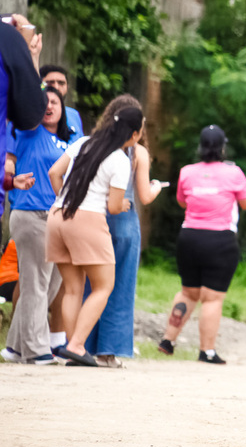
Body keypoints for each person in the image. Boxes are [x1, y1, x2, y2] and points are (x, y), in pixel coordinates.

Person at [45, 107, 144, 367]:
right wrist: (123, 204)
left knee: (73, 288)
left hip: (58, 215)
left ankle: (73, 347)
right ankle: (77, 345)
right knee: (104, 286)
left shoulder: (83, 143)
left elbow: (54, 173)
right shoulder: (120, 159)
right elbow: (113, 206)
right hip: (87, 220)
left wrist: (64, 199)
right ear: (134, 134)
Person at [157, 126, 246, 364]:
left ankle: (168, 341)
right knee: (212, 298)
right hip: (220, 240)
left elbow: (182, 202)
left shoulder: (187, 172)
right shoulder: (233, 173)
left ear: (200, 146)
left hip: (189, 237)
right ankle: (207, 351)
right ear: (223, 148)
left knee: (188, 292)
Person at [83, 96, 165, 367]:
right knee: (120, 288)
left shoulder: (94, 145)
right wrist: (156, 186)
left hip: (96, 217)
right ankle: (109, 351)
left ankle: (82, 345)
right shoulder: (137, 153)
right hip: (125, 222)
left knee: (91, 285)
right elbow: (145, 196)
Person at [2, 87, 76, 364]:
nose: (49, 106)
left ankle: (15, 347)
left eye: (54, 101)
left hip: (59, 217)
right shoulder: (27, 132)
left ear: (63, 107)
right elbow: (8, 163)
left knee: (50, 284)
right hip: (31, 214)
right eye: (44, 102)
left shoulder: (68, 139)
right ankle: (37, 350)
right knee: (35, 283)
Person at [0, 12, 49, 159]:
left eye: (61, 83)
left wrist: (33, 56)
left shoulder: (72, 116)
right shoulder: (7, 37)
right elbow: (32, 111)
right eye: (51, 82)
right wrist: (26, 51)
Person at [38, 64, 84, 138]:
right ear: (41, 86)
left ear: (67, 87)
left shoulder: (74, 115)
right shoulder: (32, 115)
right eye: (50, 83)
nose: (56, 87)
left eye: (61, 83)